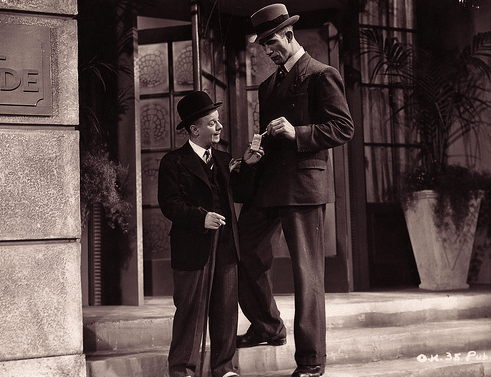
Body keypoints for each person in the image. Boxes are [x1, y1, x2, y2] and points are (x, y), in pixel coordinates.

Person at [235, 4, 355, 377]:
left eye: (272, 42)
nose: (268, 51)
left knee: (307, 276)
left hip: (304, 188)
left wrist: (298, 133)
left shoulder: (322, 74)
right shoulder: (268, 85)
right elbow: (273, 137)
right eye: (263, 46)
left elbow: (343, 127)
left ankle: (311, 361)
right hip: (268, 187)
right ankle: (268, 325)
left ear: (289, 35)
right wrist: (256, 154)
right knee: (242, 249)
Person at [158, 91, 263, 377]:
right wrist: (200, 218)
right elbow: (169, 204)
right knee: (190, 311)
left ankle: (224, 368)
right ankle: (183, 370)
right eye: (212, 123)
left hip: (226, 245)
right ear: (194, 129)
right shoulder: (173, 162)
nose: (219, 128)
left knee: (226, 311)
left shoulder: (225, 159)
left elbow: (241, 193)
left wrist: (250, 167)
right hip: (193, 246)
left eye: (218, 122)